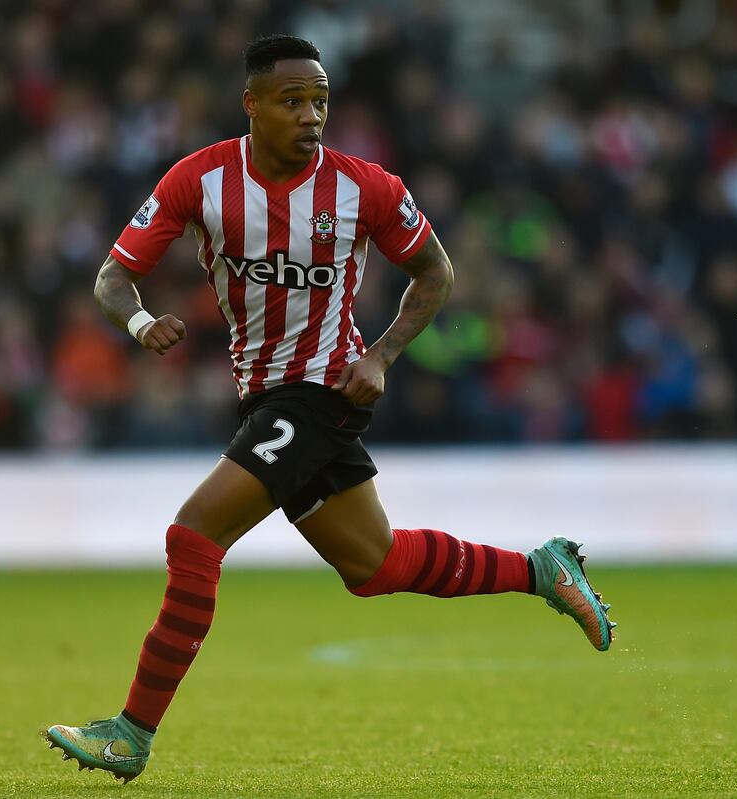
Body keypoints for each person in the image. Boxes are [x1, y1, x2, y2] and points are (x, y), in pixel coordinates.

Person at [42, 35, 615, 783]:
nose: (310, 115)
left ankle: (132, 731)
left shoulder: (365, 187)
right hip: (265, 394)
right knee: (374, 565)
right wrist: (141, 322)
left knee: (193, 535)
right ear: (252, 104)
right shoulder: (200, 179)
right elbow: (113, 277)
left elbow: (435, 273)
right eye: (291, 101)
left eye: (319, 100)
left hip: (321, 391)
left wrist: (381, 353)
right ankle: (541, 569)